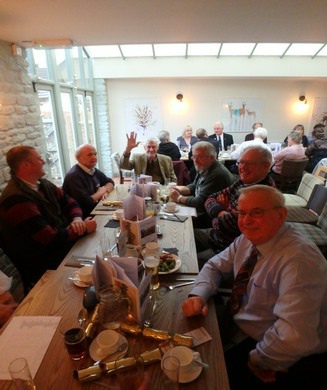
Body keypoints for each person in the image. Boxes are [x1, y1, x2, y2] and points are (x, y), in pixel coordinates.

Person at [182, 185, 327, 389]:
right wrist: (198, 294)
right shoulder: (249, 239)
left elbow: (293, 337)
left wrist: (258, 360)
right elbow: (214, 265)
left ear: (281, 214)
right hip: (239, 323)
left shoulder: (299, 261)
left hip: (278, 352)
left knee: (202, 378)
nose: (246, 221)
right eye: (241, 213)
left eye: (256, 213)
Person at [0, 146, 97, 293]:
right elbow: (49, 238)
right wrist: (83, 228)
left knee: (100, 251)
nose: (44, 161)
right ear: (26, 165)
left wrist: (77, 219)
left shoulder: (42, 184)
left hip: (61, 244)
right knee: (99, 262)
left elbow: (70, 202)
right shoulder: (15, 199)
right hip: (43, 260)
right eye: (39, 159)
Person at [195, 146, 274, 267]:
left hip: (229, 248)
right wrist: (222, 212)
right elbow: (210, 198)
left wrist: (219, 214)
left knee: (189, 261)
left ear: (266, 166)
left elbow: (224, 225)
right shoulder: (244, 182)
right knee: (186, 237)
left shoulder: (263, 194)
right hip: (217, 235)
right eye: (241, 162)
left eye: (250, 163)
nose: (242, 167)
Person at [169, 142, 234, 228]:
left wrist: (178, 197)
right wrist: (179, 190)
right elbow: (195, 185)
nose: (195, 160)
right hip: (201, 212)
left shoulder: (217, 174)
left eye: (199, 157)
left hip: (209, 220)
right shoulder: (205, 166)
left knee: (174, 224)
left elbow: (199, 203)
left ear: (211, 158)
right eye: (194, 156)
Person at [63, 144, 115, 218]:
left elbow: (110, 182)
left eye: (95, 154)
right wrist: (100, 193)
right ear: (78, 158)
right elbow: (86, 202)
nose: (94, 157)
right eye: (89, 155)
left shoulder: (92, 169)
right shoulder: (74, 176)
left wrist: (105, 191)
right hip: (82, 217)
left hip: (94, 209)